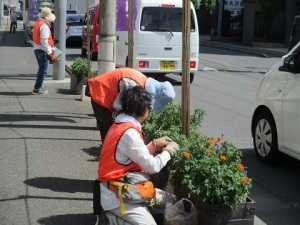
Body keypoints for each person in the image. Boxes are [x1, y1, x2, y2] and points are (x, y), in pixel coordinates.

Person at [98, 86, 178, 225]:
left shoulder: (120, 124)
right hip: (119, 194)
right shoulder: (129, 133)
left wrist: (153, 144)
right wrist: (168, 151)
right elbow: (152, 166)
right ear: (145, 110)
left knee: (171, 201)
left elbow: (133, 155)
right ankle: (111, 219)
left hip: (122, 186)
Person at [86, 67, 175, 142]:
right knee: (108, 133)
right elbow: (118, 106)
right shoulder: (133, 85)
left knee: (113, 133)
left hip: (104, 92)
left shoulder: (143, 82)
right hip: (100, 92)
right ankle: (110, 157)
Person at [32, 7, 56, 95]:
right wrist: (49, 53)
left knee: (41, 69)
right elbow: (44, 41)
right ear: (46, 17)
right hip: (43, 50)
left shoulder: (37, 23)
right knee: (44, 70)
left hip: (37, 49)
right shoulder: (44, 26)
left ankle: (39, 86)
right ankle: (37, 88)